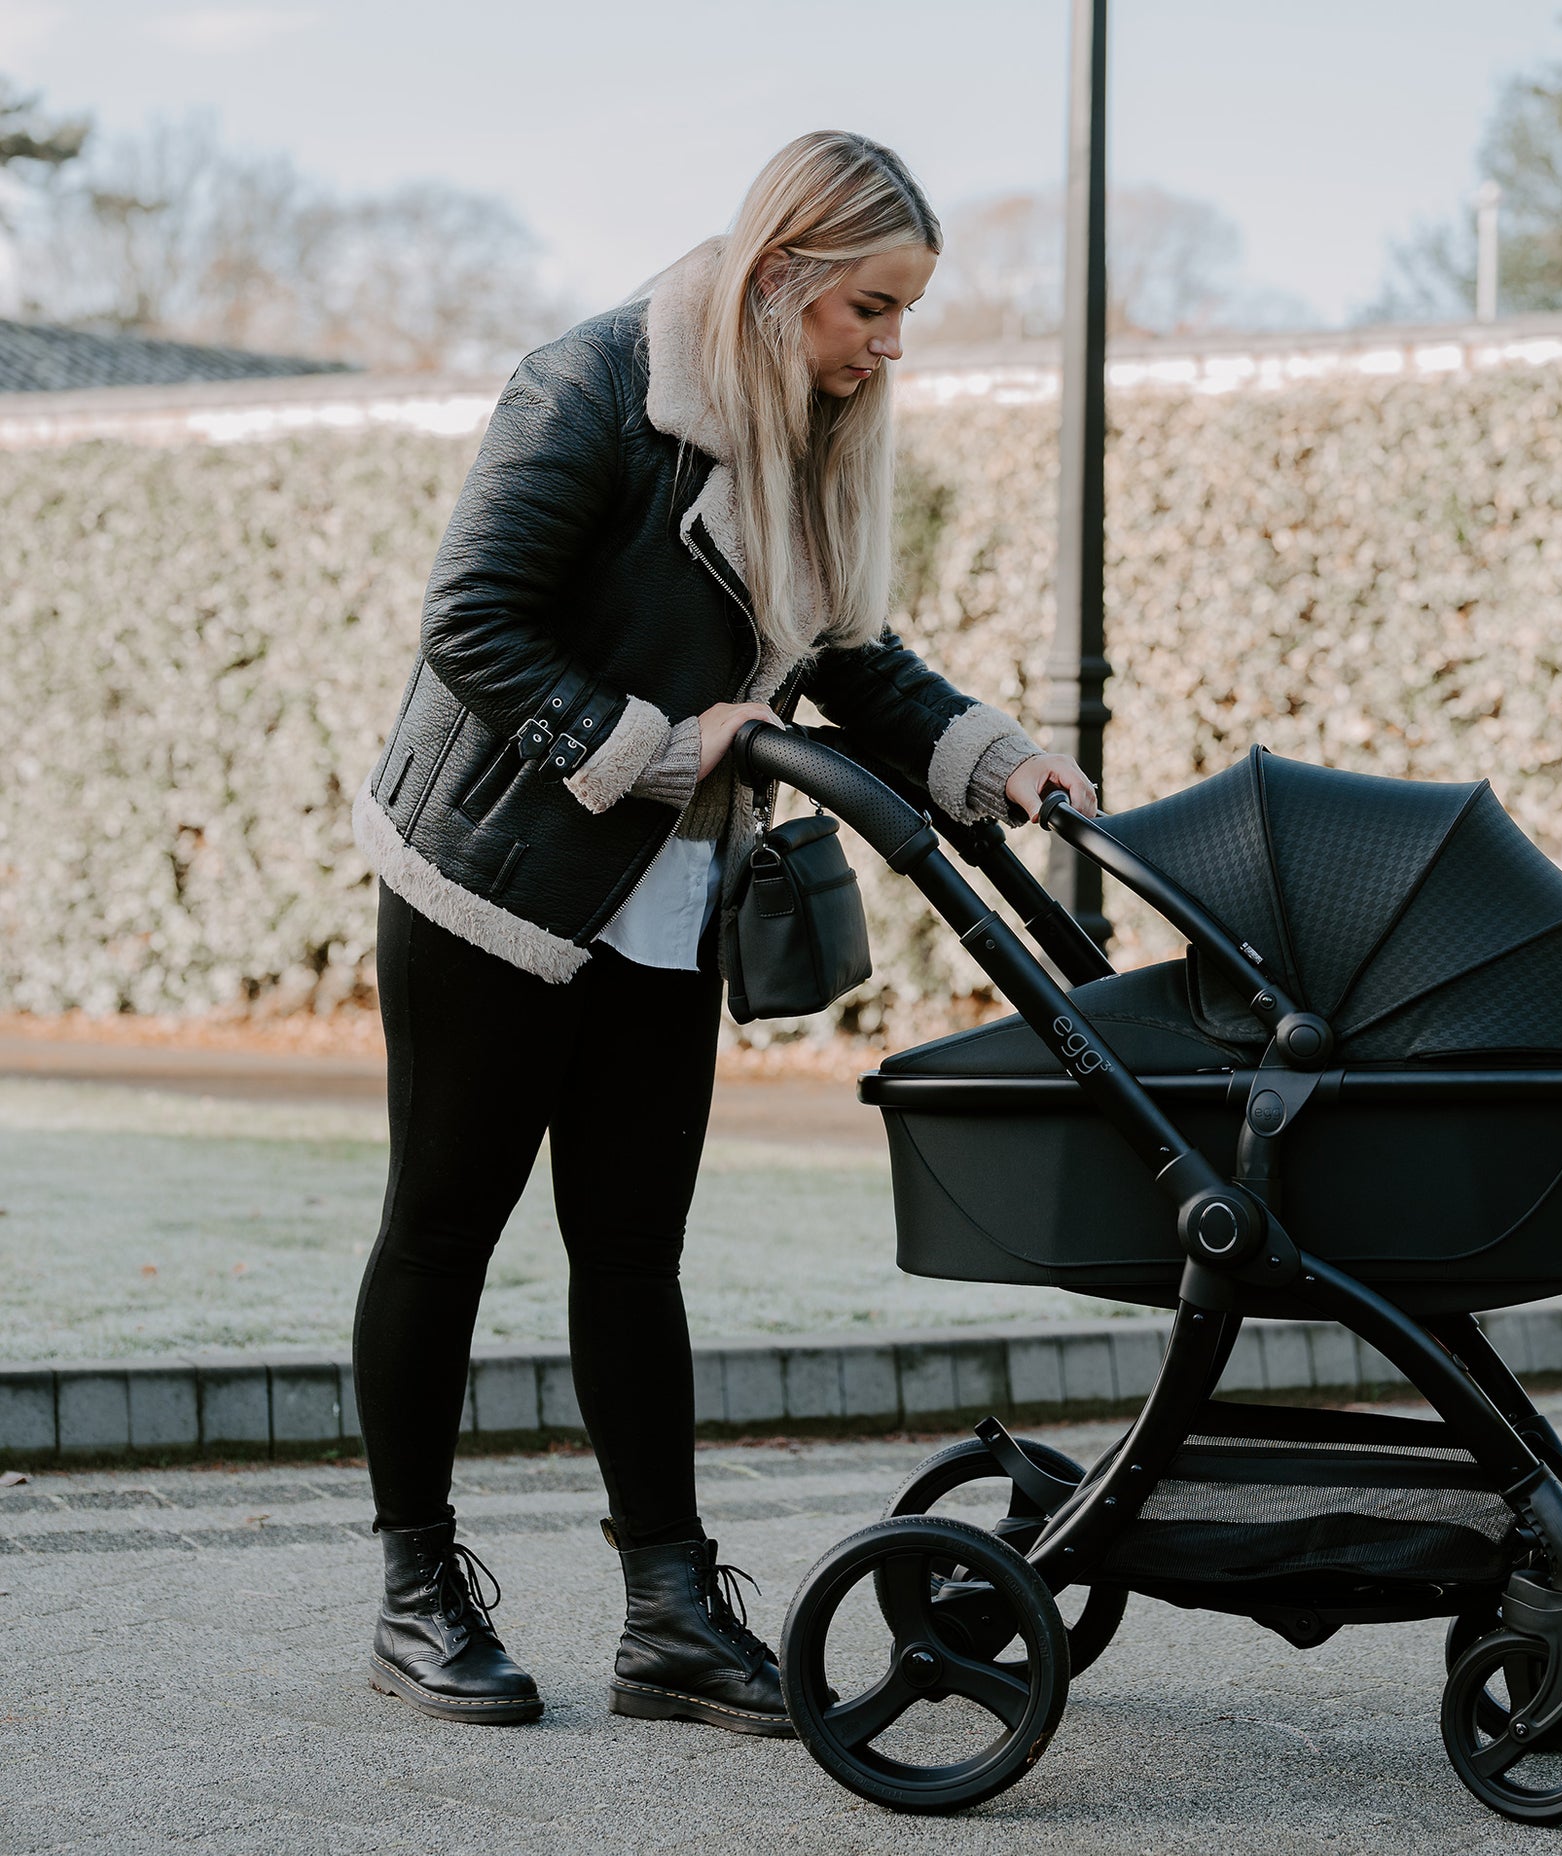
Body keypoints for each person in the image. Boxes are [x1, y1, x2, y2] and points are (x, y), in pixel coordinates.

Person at [348, 130, 1097, 1736]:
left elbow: (847, 661)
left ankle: (669, 1617)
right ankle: (418, 1596)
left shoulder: (807, 429)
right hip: (496, 868)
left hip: (663, 890)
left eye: (902, 313)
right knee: (443, 1230)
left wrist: (1002, 758)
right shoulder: (593, 385)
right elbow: (471, 622)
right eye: (870, 310)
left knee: (631, 1253)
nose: (891, 345)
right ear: (779, 281)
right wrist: (649, 746)